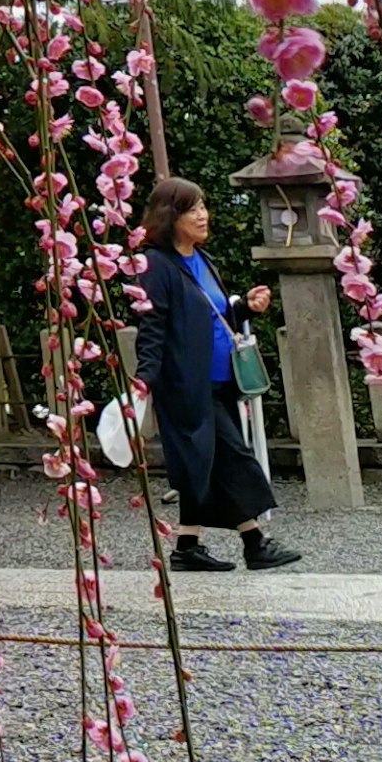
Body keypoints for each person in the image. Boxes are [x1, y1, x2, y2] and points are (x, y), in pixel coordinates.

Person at [135, 178, 299, 572]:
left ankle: (188, 546)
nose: (203, 215)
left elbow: (213, 314)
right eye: (193, 209)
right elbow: (152, 325)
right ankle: (254, 541)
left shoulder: (202, 260)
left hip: (220, 378)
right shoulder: (156, 265)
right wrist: (144, 378)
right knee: (229, 456)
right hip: (186, 383)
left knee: (205, 461)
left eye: (203, 206)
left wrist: (245, 308)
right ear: (170, 216)